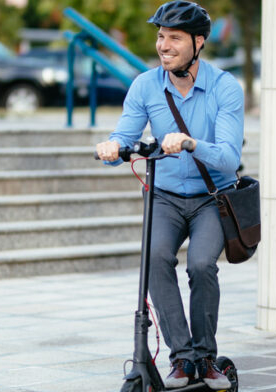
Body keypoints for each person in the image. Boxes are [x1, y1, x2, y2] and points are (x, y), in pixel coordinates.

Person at [95, 1, 243, 389]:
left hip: (212, 197)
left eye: (174, 37)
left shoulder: (225, 87)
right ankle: (183, 357)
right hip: (164, 196)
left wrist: (192, 143)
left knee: (200, 264)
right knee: (156, 258)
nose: (163, 45)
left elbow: (229, 158)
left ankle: (206, 357)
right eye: (161, 36)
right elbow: (125, 135)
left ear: (199, 42)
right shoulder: (145, 85)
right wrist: (113, 147)